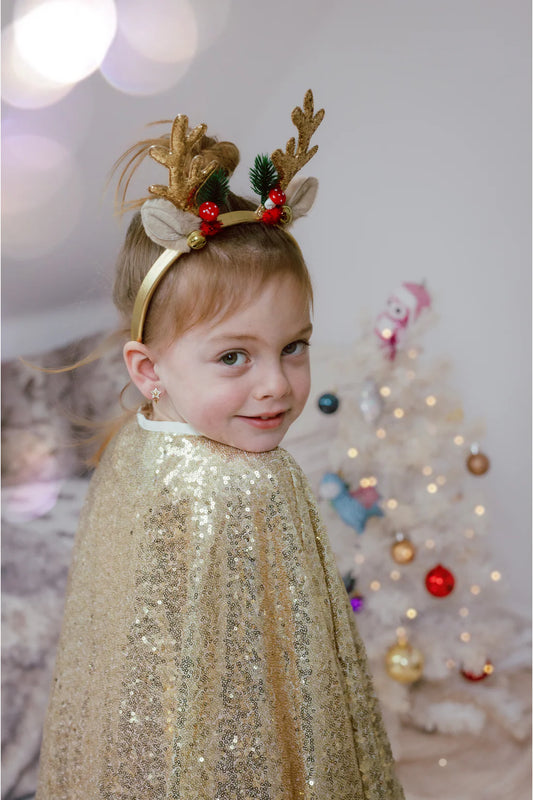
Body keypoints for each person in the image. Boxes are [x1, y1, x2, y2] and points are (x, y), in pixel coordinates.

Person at [34, 91, 404, 799]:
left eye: (293, 346)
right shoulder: (250, 480)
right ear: (148, 371)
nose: (276, 385)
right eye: (234, 357)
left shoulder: (138, 442)